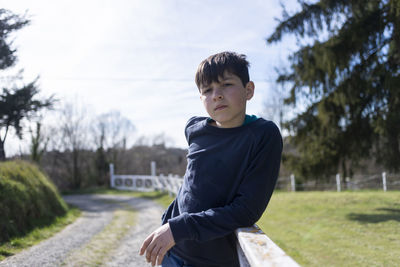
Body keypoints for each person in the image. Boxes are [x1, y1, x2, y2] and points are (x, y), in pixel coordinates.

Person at [139, 51, 283, 267]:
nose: (216, 95)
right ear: (200, 98)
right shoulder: (194, 128)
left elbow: (246, 209)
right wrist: (171, 224)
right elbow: (193, 182)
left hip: (214, 260)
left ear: (249, 90)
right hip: (173, 250)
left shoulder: (263, 135)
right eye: (207, 90)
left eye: (226, 84)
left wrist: (180, 228)